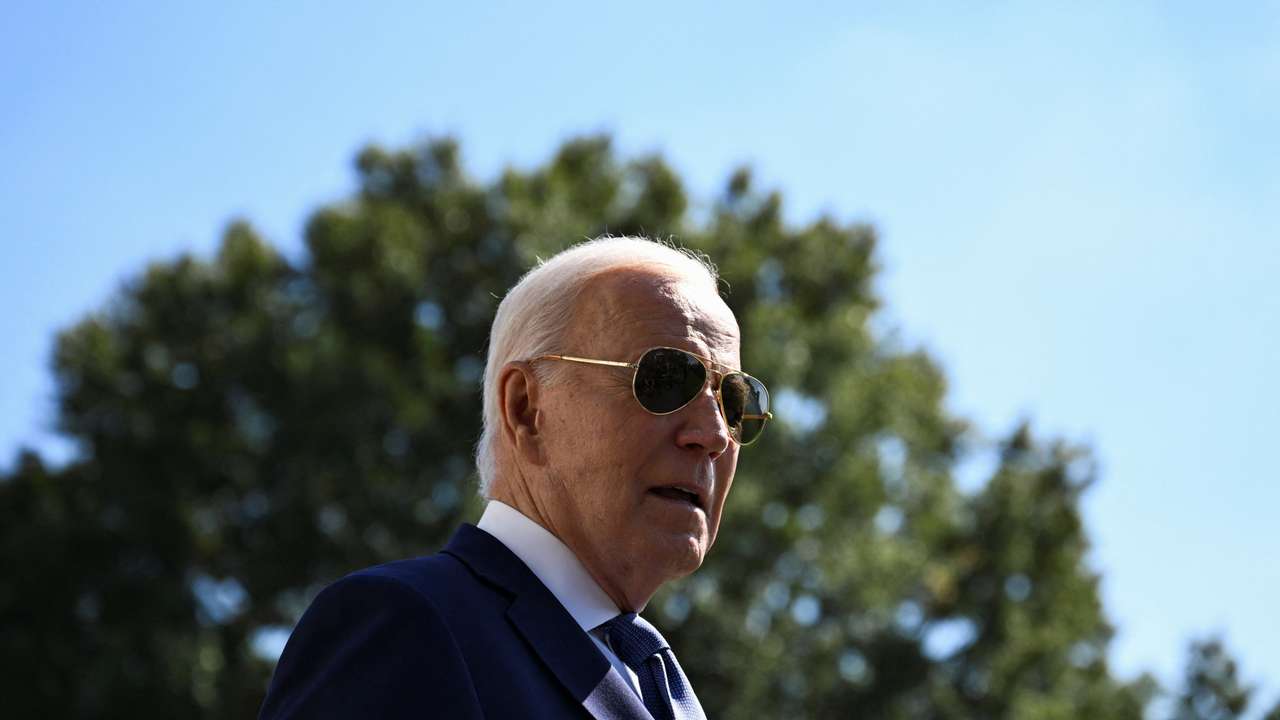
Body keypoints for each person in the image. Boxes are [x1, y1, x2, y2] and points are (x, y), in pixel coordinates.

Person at [259, 236, 772, 719]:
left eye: (733, 401)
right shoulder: (405, 626)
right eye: (666, 379)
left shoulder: (659, 681)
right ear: (526, 409)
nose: (713, 434)